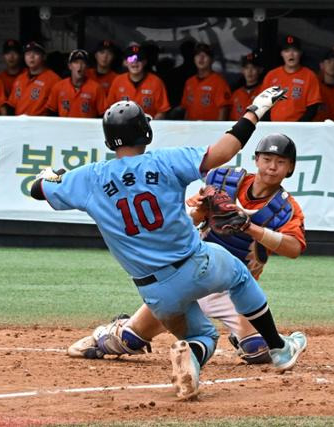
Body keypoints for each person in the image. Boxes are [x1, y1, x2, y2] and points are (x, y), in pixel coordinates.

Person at [29, 86, 307, 400]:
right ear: (146, 132)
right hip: (196, 265)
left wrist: (51, 176)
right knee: (240, 275)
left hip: (154, 289)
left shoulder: (90, 178)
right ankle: (280, 348)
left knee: (201, 334)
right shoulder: (164, 161)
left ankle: (187, 355)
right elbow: (223, 151)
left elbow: (36, 189)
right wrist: (255, 110)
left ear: (108, 141)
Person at [67, 133, 305, 366]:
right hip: (195, 269)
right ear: (256, 160)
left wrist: (250, 228)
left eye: (280, 162)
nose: (272, 167)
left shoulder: (285, 207)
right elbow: (181, 221)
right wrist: (199, 213)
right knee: (130, 339)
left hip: (233, 288)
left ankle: (241, 338)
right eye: (267, 159)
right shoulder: (224, 181)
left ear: (290, 168)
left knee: (257, 349)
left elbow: (294, 248)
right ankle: (106, 338)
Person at [261, 35, 322, 122]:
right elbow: (263, 105)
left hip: (299, 128)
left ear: (300, 53)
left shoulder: (310, 76)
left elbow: (312, 108)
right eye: (287, 51)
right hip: (274, 127)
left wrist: (297, 127)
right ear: (281, 53)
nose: (291, 54)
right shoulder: (271, 76)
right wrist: (270, 126)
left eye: (295, 50)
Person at [106, 45, 170, 119]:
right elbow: (110, 109)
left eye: (139, 59)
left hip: (148, 126)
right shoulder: (118, 81)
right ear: (126, 62)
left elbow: (162, 111)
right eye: (131, 59)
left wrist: (152, 126)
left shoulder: (156, 82)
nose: (135, 62)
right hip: (122, 126)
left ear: (145, 62)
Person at [46, 49, 106, 118]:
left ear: (87, 67)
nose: (79, 66)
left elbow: (103, 115)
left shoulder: (96, 88)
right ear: (70, 66)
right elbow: (51, 112)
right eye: (76, 62)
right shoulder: (58, 87)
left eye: (83, 63)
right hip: (64, 127)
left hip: (86, 128)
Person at [180, 43, 232, 121]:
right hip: (191, 129)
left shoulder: (219, 82)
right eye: (198, 55)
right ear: (194, 59)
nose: (201, 58)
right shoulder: (189, 82)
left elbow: (223, 110)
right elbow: (187, 109)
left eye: (205, 55)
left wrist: (219, 130)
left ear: (212, 60)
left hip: (210, 130)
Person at [7, 41, 60, 116]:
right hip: (19, 123)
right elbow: (11, 106)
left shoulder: (54, 80)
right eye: (28, 54)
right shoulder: (19, 79)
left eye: (36, 53)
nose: (31, 57)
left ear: (44, 56)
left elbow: (56, 110)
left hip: (40, 124)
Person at [229, 50, 263, 121]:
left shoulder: (264, 91)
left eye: (253, 67)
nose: (249, 71)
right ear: (242, 70)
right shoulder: (236, 94)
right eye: (246, 68)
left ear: (260, 70)